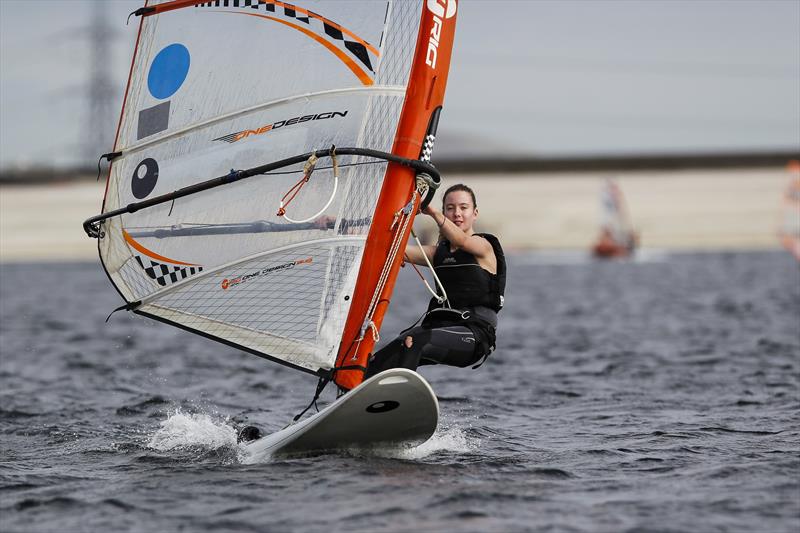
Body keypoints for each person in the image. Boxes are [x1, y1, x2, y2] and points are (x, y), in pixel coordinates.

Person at [364, 184, 506, 378]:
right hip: (441, 328)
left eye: (463, 208)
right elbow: (393, 248)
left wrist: (431, 211)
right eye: (450, 208)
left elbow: (462, 242)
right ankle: (359, 385)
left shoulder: (484, 246)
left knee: (416, 339)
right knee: (400, 344)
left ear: (475, 213)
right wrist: (346, 226)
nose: (457, 213)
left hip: (474, 335)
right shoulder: (437, 254)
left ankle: (399, 398)